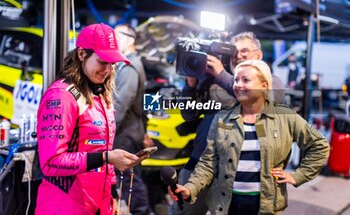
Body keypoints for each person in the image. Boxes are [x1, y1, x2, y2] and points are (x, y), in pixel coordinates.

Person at [169, 60, 329, 215]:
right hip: (226, 204)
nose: (238, 84)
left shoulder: (285, 117)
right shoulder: (222, 118)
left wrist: (297, 176)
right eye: (236, 79)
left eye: (245, 80)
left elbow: (319, 145)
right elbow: (208, 163)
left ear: (264, 86)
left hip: (264, 206)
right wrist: (190, 188)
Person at [35, 23, 147, 215]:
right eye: (103, 61)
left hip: (97, 204)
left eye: (113, 63)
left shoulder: (100, 94)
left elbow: (104, 148)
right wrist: (106, 158)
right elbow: (51, 162)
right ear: (81, 54)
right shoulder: (61, 96)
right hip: (65, 206)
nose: (108, 69)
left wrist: (112, 196)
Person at [170, 32, 284, 215]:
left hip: (238, 172)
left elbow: (267, 98)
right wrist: (190, 84)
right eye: (233, 52)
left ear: (259, 55)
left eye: (245, 51)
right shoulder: (211, 79)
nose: (238, 56)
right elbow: (188, 114)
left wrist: (221, 74)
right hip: (200, 163)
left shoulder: (270, 82)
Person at [113, 24, 153, 215]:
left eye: (116, 36)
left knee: (129, 179)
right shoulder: (128, 63)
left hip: (125, 132)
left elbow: (121, 104)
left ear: (129, 39)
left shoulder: (129, 66)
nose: (113, 41)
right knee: (129, 177)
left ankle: (142, 212)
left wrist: (108, 130)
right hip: (131, 130)